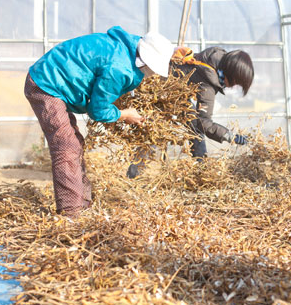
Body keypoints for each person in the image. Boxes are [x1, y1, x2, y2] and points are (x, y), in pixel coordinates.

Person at [25, 26, 174, 217]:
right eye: (153, 70)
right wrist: (124, 114)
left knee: (75, 144)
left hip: (54, 78)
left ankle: (83, 203)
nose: (152, 75)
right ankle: (70, 214)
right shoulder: (120, 69)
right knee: (66, 146)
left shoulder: (128, 47)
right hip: (46, 84)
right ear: (145, 62)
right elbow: (98, 110)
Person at [126, 46, 254, 177]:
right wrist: (230, 136)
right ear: (231, 75)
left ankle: (201, 169)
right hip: (161, 95)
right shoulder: (208, 83)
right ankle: (133, 175)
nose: (232, 86)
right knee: (155, 133)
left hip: (173, 93)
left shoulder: (214, 57)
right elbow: (204, 123)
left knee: (193, 124)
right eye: (235, 82)